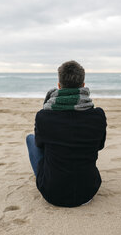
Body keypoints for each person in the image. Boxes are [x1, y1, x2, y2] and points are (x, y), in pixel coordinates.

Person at [26, 60, 107, 207]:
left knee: (30, 139)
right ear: (83, 85)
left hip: (52, 193)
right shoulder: (98, 115)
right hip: (88, 191)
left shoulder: (43, 116)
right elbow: (99, 146)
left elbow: (40, 145)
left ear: (59, 86)